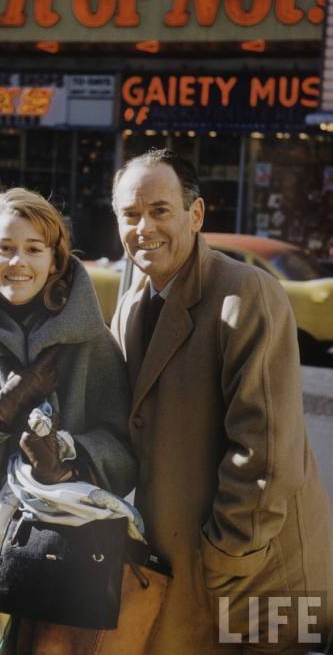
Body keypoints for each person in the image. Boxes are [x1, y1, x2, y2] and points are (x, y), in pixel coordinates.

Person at [111, 149, 333, 655]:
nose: (143, 227)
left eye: (160, 210)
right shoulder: (131, 304)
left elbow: (265, 454)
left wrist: (224, 558)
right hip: (184, 571)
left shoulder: (246, 293)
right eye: (130, 214)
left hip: (255, 579)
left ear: (196, 214)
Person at [0, 187, 136, 655]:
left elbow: (126, 449)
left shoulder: (91, 342)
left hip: (73, 550)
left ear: (56, 260)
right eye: (6, 248)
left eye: (34, 249)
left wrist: (66, 460)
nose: (19, 262)